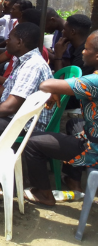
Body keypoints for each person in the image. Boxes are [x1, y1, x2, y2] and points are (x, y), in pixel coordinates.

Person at [23, 30, 98, 206]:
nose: (82, 52)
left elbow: (45, 84)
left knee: (33, 141)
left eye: (86, 50)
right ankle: (74, 181)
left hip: (95, 148)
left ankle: (44, 194)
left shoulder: (94, 82)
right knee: (74, 124)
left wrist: (55, 90)